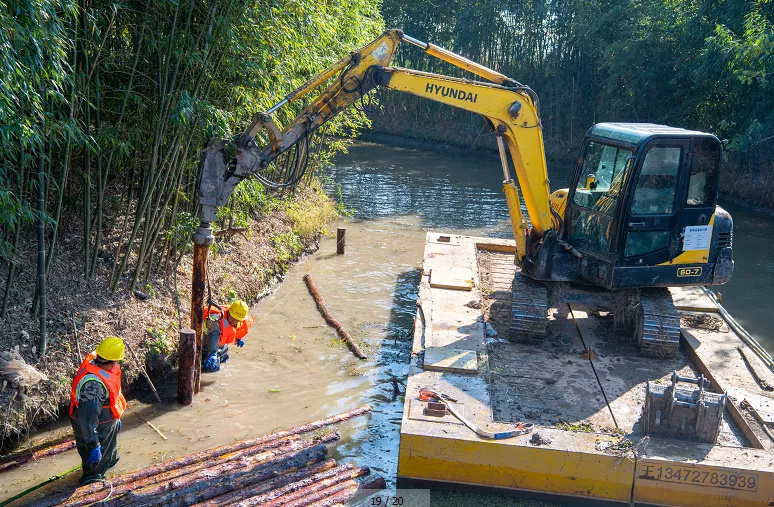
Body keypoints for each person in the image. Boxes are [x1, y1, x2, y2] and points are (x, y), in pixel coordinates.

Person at [69, 336, 127, 485]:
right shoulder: (93, 386)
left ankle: (110, 469)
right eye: (116, 361)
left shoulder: (98, 361)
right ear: (111, 361)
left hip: (107, 423)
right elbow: (87, 421)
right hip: (95, 430)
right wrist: (94, 445)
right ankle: (90, 487)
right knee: (94, 469)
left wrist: (115, 420)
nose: (117, 364)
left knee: (110, 458)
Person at [202, 300, 254, 372]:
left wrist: (239, 338)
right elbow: (214, 336)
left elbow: (238, 328)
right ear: (229, 312)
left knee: (223, 362)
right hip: (206, 349)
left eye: (237, 320)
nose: (234, 321)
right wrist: (213, 353)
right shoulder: (215, 319)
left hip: (222, 348)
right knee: (210, 370)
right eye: (232, 317)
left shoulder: (240, 320)